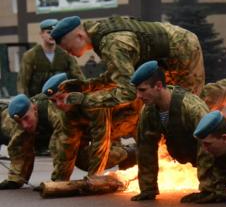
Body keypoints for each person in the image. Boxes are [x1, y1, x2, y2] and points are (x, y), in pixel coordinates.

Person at [49, 15, 204, 111]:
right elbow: (118, 76)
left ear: (80, 36)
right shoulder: (99, 34)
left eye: (69, 48)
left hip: (182, 48)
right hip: (165, 54)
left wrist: (84, 100)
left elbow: (128, 92)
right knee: (163, 105)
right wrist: (85, 87)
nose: (70, 53)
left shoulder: (111, 45)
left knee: (186, 106)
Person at [130, 60, 226, 203]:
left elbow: (209, 144)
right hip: (192, 155)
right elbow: (145, 148)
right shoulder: (148, 112)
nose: (138, 96)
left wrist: (208, 189)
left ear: (158, 86)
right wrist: (147, 189)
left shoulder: (191, 107)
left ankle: (215, 189)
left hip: (223, 156)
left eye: (143, 90)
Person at [41, 73, 137, 181]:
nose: (59, 104)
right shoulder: (67, 113)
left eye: (61, 98)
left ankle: (133, 153)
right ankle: (128, 155)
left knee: (149, 149)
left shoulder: (93, 101)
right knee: (82, 159)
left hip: (132, 116)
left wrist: (94, 179)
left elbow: (100, 141)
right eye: (54, 101)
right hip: (112, 127)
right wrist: (59, 180)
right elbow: (68, 145)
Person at [17, 19, 84, 97]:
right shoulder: (31, 55)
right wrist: (26, 103)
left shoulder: (66, 54)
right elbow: (22, 82)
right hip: (38, 100)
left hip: (61, 99)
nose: (52, 35)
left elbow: (78, 77)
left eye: (54, 32)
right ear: (41, 34)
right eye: (48, 32)